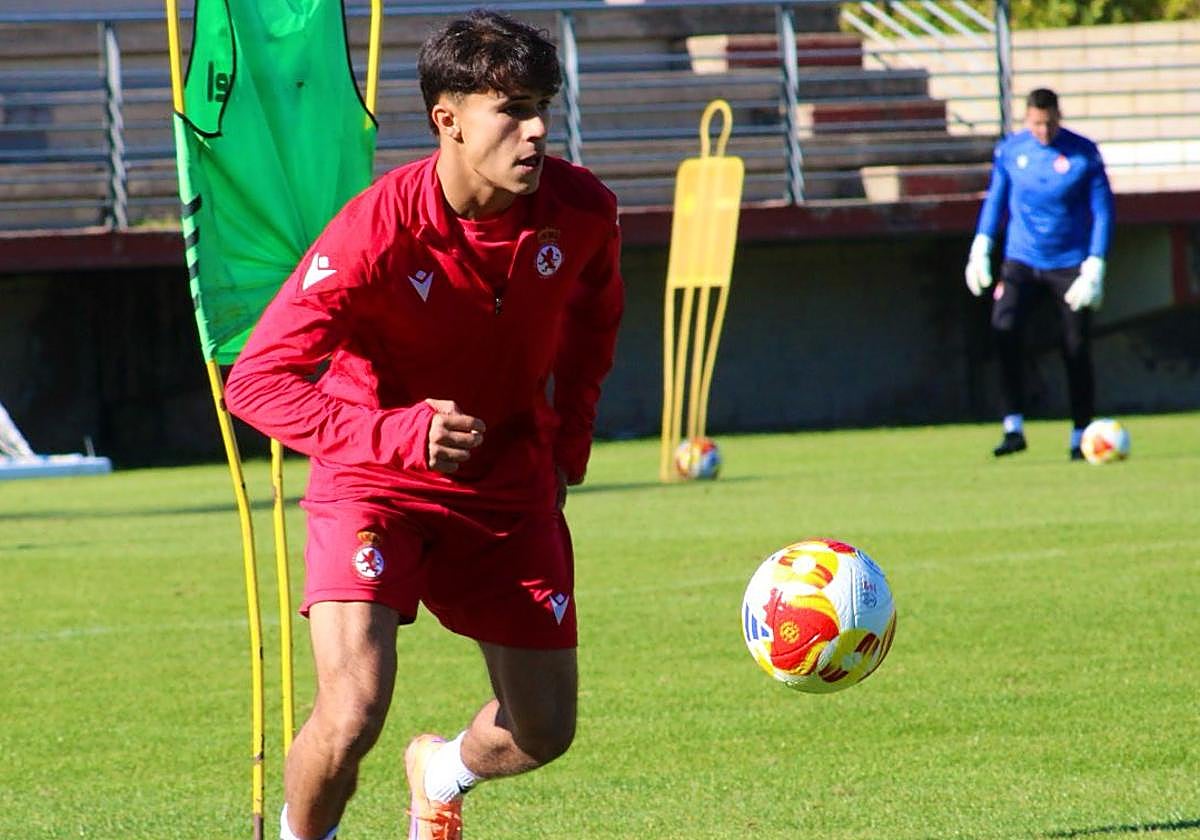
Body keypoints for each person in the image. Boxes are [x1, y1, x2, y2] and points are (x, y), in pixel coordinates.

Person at [223, 10, 624, 840]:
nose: (537, 128)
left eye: (543, 104)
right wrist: (397, 434)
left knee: (545, 729)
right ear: (448, 119)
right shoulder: (376, 229)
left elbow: (593, 331)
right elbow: (257, 381)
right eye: (511, 107)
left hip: (507, 487)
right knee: (353, 710)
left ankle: (442, 771)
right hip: (375, 481)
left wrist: (567, 452)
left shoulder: (583, 210)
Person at [965, 87, 1114, 460]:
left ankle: (1081, 432)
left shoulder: (1084, 154)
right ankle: (1012, 426)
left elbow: (1103, 211)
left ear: (1058, 118)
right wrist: (981, 246)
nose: (1043, 131)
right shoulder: (1012, 151)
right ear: (1026, 119)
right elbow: (996, 200)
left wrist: (1095, 265)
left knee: (1075, 346)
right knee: (1005, 329)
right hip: (1021, 260)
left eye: (1048, 124)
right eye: (1036, 124)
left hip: (1069, 263)